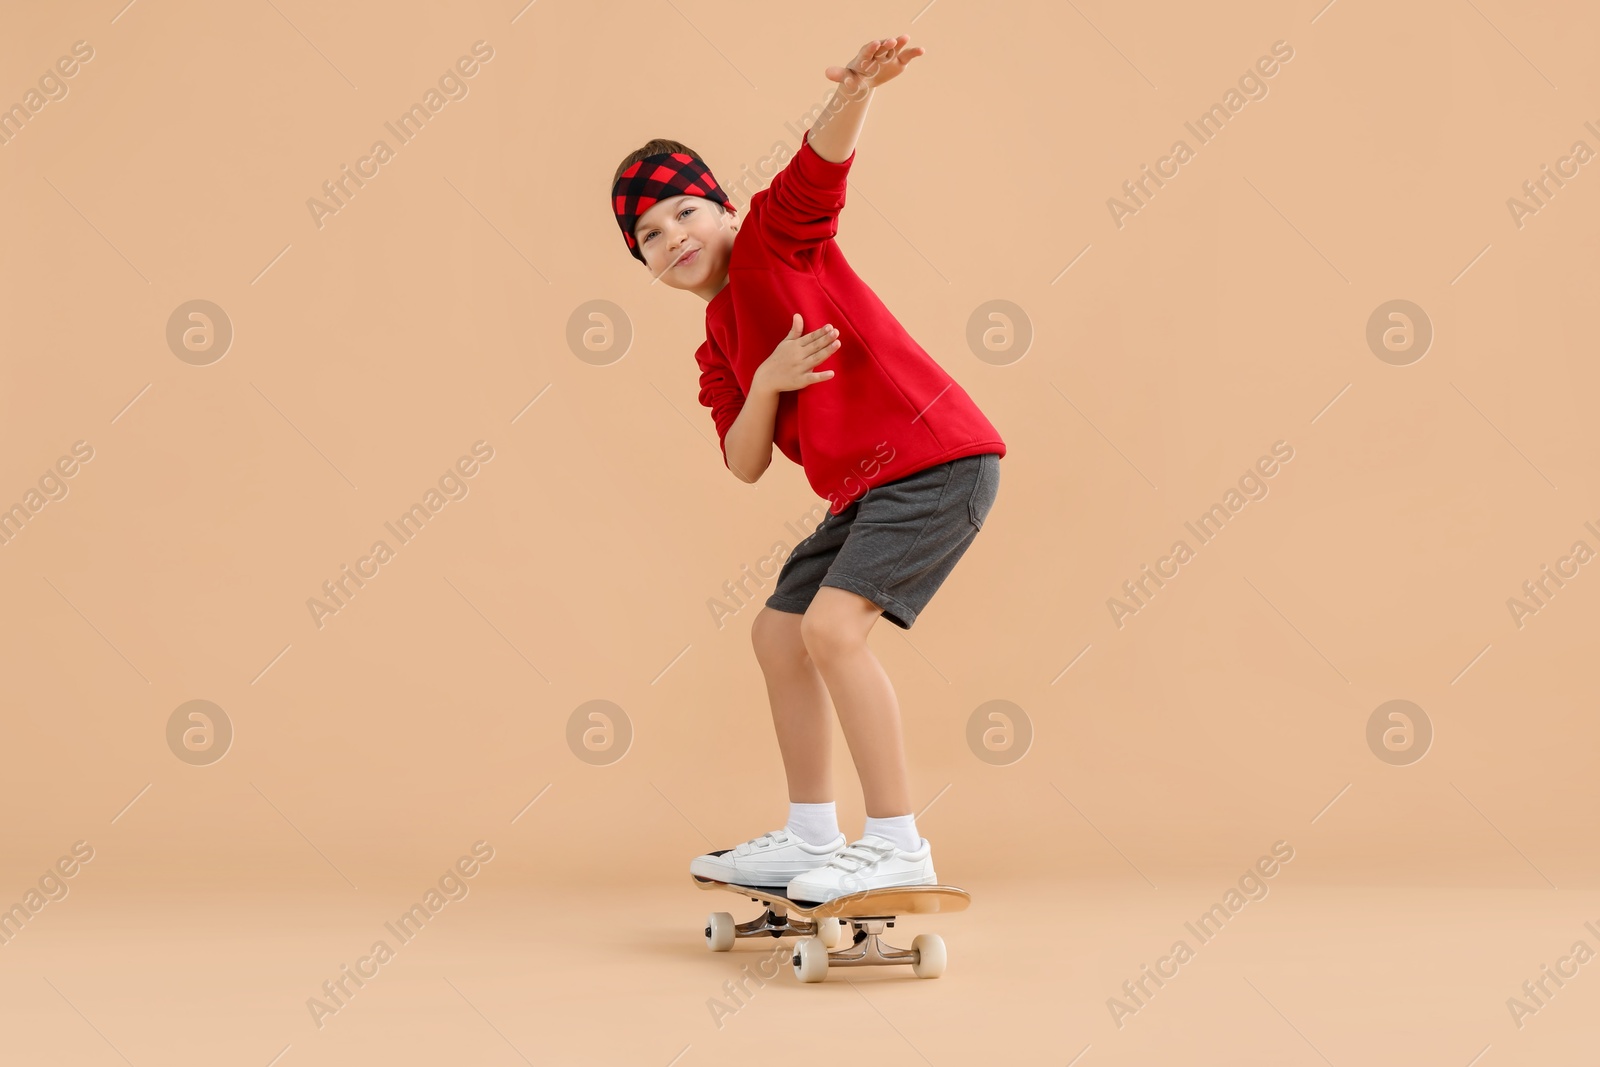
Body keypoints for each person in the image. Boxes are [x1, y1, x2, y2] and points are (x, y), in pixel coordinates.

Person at [609, 36, 1004, 903]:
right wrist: (768, 383)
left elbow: (816, 173)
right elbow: (743, 460)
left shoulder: (771, 246)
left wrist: (856, 94)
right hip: (869, 488)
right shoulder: (717, 346)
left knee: (831, 630)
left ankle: (899, 840)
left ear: (720, 209)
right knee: (778, 632)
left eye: (683, 211)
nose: (672, 236)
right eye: (647, 234)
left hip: (935, 458)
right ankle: (810, 835)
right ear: (641, 264)